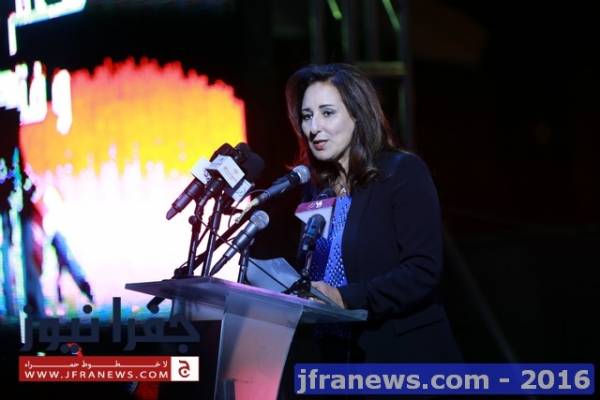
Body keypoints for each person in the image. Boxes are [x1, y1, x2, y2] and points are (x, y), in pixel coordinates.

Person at [284, 63, 462, 366]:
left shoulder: (400, 172)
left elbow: (423, 270)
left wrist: (346, 297)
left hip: (400, 358)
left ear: (357, 115)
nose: (314, 128)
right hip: (335, 358)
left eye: (327, 113)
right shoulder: (316, 190)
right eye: (307, 116)